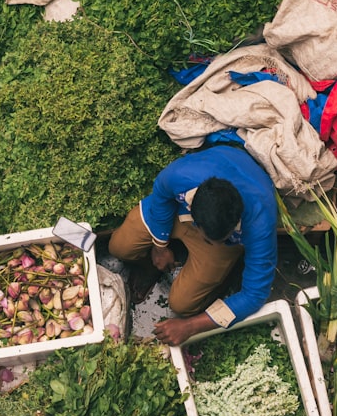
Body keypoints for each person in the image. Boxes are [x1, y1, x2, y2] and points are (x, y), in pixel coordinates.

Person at [107, 145, 278, 346]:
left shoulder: (260, 223)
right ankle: (152, 267)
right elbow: (161, 194)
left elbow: (254, 294)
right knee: (119, 247)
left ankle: (221, 281)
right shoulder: (182, 176)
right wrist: (159, 245)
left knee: (182, 304)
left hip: (227, 230)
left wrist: (191, 325)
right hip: (179, 215)